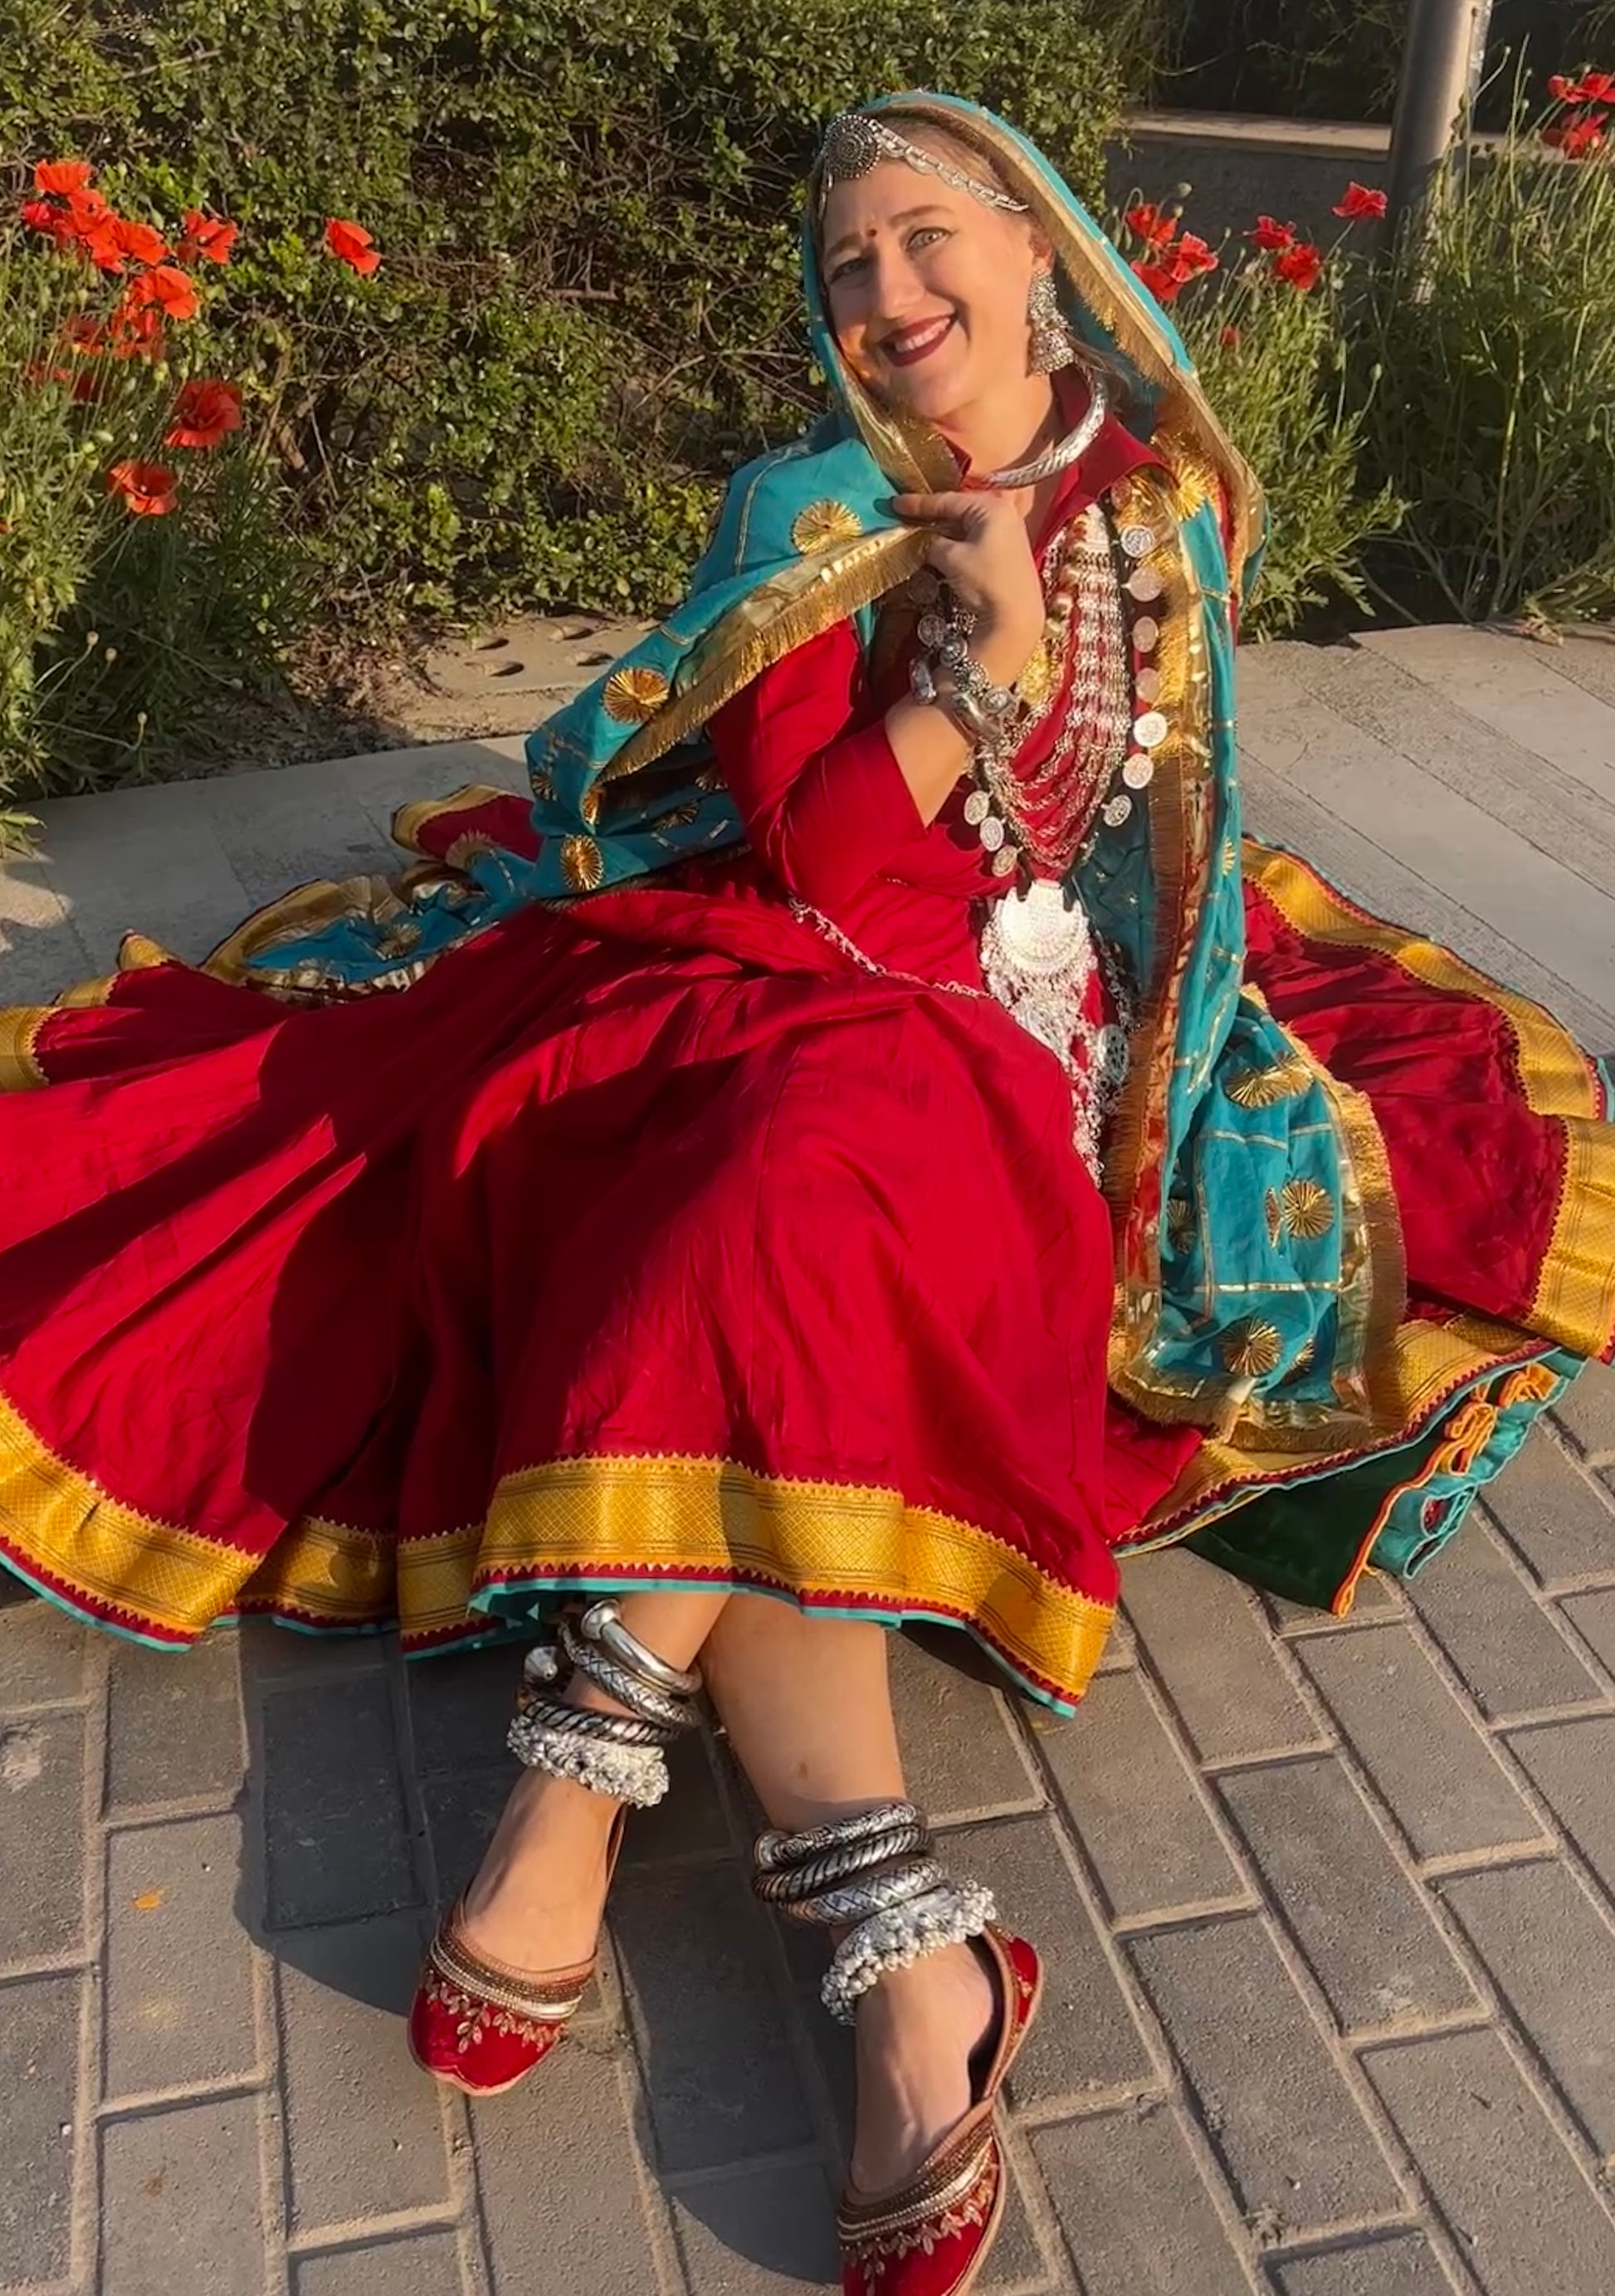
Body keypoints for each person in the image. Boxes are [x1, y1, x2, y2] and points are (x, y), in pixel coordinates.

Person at [2, 92, 1612, 2296]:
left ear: (1039, 256)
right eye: (848, 261)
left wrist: (1151, 1073)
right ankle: (892, 1942)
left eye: (927, 238)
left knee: (790, 1208)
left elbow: (1165, 850)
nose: (887, 292)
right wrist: (979, 671)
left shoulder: (1160, 502)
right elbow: (834, 869)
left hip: (1043, 1029)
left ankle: (586, 1775)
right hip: (796, 977)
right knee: (785, 1202)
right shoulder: (808, 505)